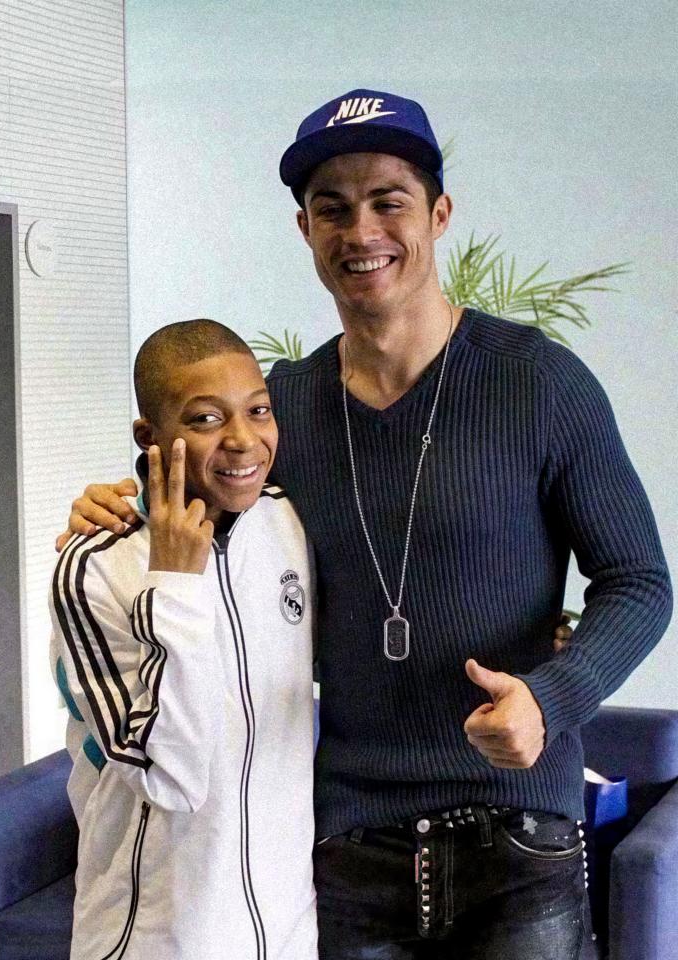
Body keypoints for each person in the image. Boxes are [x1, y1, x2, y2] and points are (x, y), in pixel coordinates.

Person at [59, 90, 672, 959]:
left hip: (518, 831)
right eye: (332, 208)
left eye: (388, 201)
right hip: (348, 844)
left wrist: (551, 698)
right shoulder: (285, 408)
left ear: (439, 214)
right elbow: (205, 488)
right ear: (305, 229)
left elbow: (639, 581)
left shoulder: (539, 383)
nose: (361, 231)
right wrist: (114, 505)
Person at [50, 319, 318, 960]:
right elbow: (171, 774)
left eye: (258, 410)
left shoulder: (288, 523)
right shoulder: (95, 566)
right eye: (205, 419)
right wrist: (174, 582)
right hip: (156, 938)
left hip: (287, 932)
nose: (242, 440)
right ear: (150, 437)